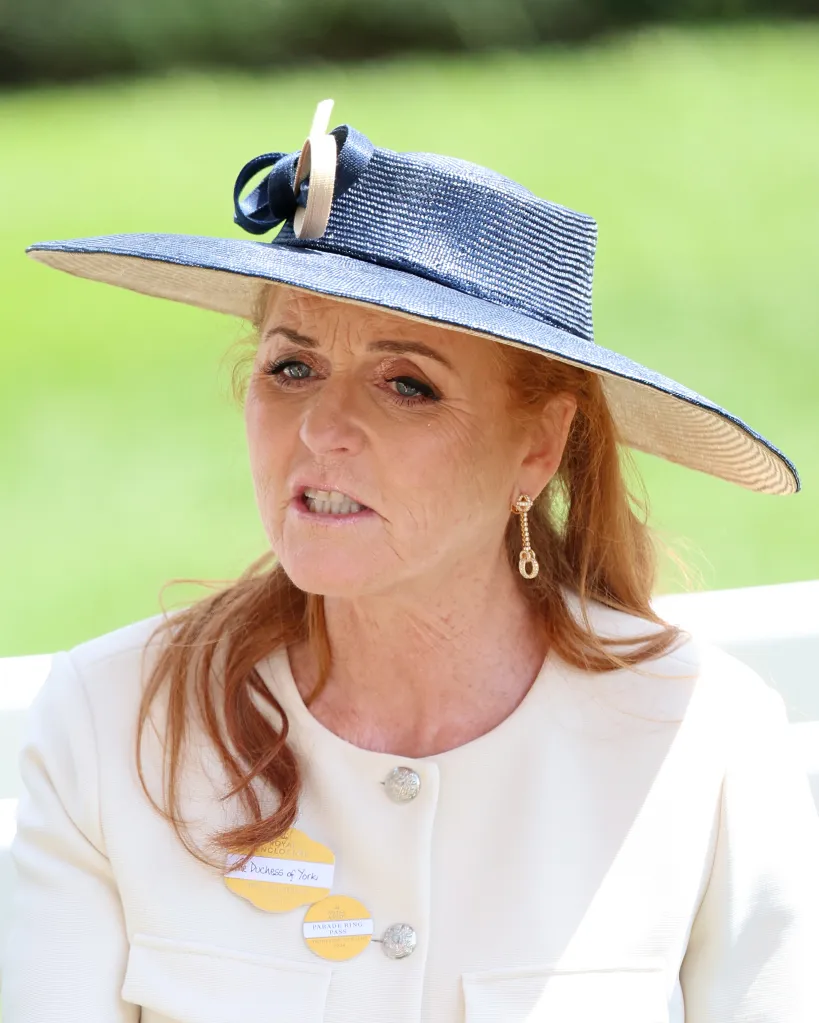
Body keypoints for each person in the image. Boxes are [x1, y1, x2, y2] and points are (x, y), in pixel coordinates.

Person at [4, 99, 818, 1023]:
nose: (320, 429)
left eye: (406, 384)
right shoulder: (112, 726)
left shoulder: (703, 741)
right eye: (291, 366)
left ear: (537, 447)